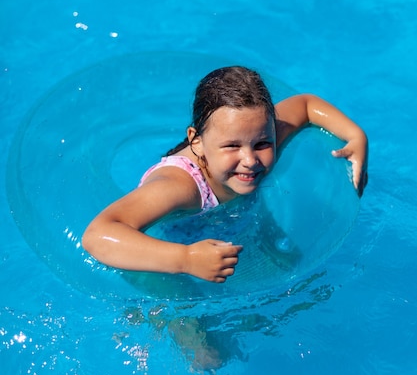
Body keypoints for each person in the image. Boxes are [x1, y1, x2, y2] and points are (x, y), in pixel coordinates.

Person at [82, 66, 368, 283]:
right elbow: (97, 235)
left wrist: (356, 136)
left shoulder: (260, 134)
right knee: (209, 356)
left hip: (238, 222)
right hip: (173, 252)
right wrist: (185, 259)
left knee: (303, 278)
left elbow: (306, 105)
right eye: (232, 146)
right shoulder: (179, 187)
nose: (250, 160)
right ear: (197, 142)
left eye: (263, 144)